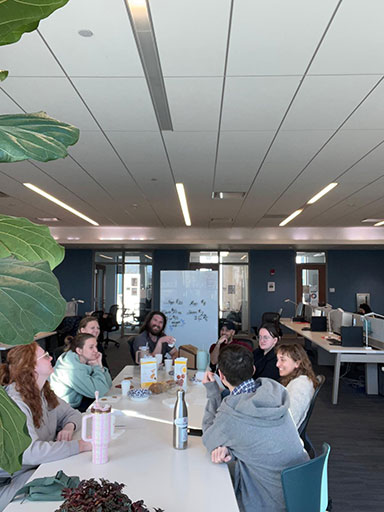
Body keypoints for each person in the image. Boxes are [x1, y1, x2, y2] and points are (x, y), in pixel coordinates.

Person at [202, 344, 308, 512]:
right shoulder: (274, 392)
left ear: (221, 376)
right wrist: (234, 449)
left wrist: (213, 393)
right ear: (253, 370)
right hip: (303, 491)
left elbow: (208, 438)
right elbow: (257, 438)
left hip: (270, 503)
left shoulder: (231, 415)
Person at [0, 343, 91, 511]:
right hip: (10, 482)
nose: (51, 358)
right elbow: (30, 453)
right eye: (46, 356)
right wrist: (79, 446)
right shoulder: (16, 402)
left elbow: (74, 414)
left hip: (33, 469)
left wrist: (69, 427)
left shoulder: (43, 391)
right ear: (31, 366)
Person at [50, 333, 112, 412]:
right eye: (91, 347)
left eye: (96, 346)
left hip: (74, 403)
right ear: (79, 350)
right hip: (61, 411)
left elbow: (108, 386)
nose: (96, 351)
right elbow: (102, 392)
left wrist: (100, 366)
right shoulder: (72, 369)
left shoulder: (80, 360)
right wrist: (97, 366)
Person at [276, 343, 319, 429]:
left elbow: (290, 421)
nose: (277, 364)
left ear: (297, 363)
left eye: (282, 360)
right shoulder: (299, 380)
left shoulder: (300, 386)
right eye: (277, 360)